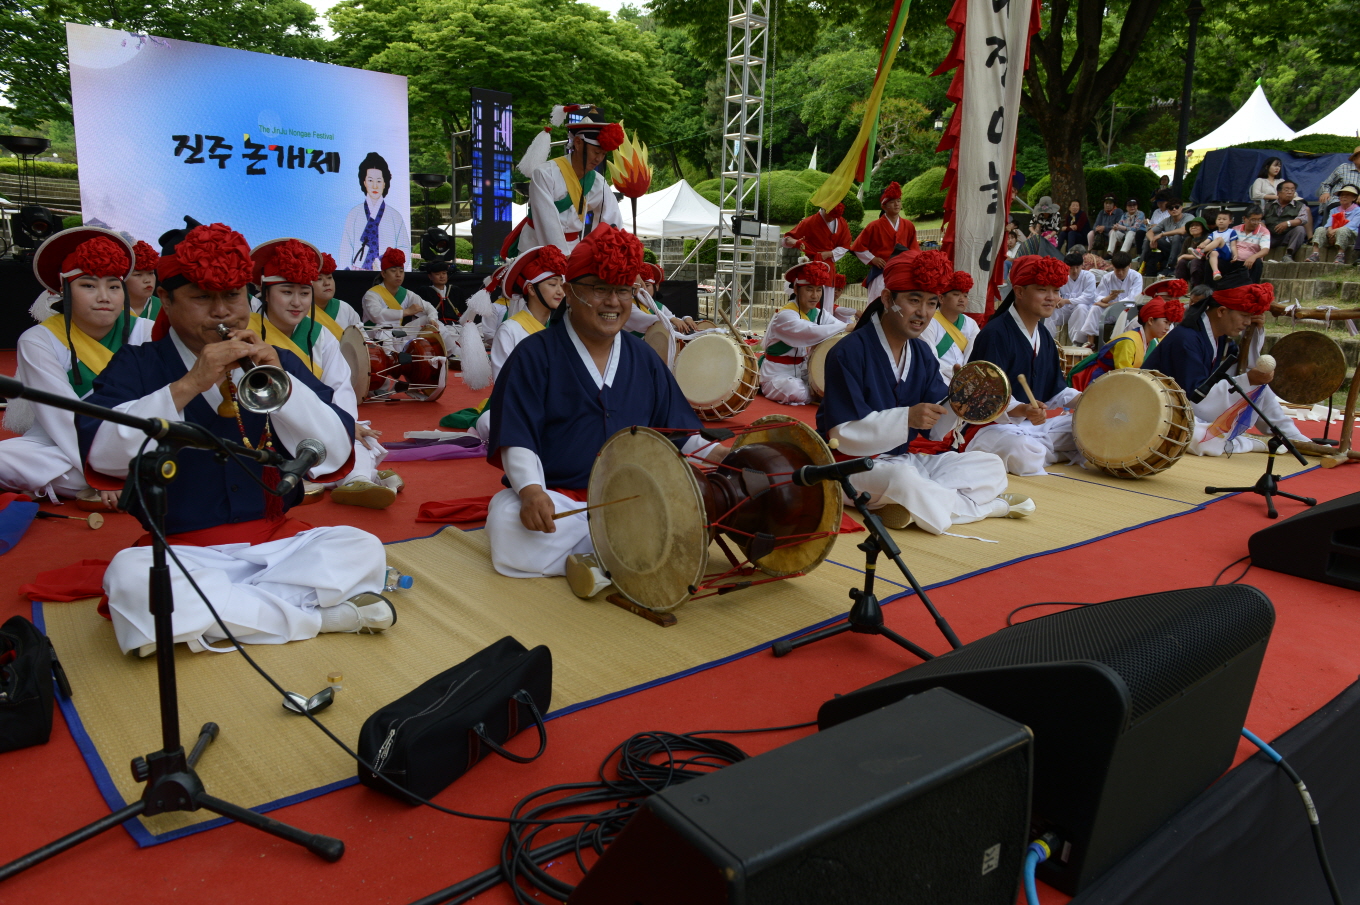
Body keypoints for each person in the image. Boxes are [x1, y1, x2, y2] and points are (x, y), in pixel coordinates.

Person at [79, 220, 394, 656]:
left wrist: (284, 384)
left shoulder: (276, 359)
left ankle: (218, 621)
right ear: (166, 300)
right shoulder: (137, 364)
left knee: (362, 548)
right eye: (201, 298)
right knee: (131, 579)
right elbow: (102, 457)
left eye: (232, 296)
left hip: (277, 547)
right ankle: (318, 617)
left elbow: (335, 453)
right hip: (182, 554)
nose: (222, 313)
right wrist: (189, 384)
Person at [484, 223, 724, 597]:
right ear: (570, 290)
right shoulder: (533, 355)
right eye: (599, 288)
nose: (613, 301)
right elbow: (518, 436)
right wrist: (531, 492)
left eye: (623, 289)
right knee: (505, 521)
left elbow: (678, 434)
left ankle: (601, 559)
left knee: (683, 503)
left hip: (633, 497)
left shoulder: (643, 357)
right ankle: (626, 554)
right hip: (560, 498)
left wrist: (721, 454)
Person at [816, 249, 1028, 533]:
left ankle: (912, 504)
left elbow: (935, 427)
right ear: (889, 298)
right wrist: (907, 418)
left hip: (903, 459)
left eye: (931, 303)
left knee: (989, 465)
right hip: (850, 466)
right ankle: (991, 508)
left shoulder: (921, 352)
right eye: (914, 300)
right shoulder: (849, 351)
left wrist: (961, 400)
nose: (923, 313)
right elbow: (841, 436)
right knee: (904, 479)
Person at [0, 228, 153, 504]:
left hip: (135, 438)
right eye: (88, 285)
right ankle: (135, 480)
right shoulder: (39, 340)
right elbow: (61, 417)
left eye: (114, 286)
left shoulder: (148, 331)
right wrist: (101, 474)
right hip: (60, 442)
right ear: (64, 290)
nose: (104, 296)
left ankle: (99, 481)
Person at [249, 238, 401, 510]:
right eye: (286, 292)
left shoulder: (320, 335)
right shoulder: (249, 333)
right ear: (265, 292)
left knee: (356, 431)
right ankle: (359, 476)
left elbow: (340, 388)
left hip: (319, 420)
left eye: (304, 293)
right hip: (271, 426)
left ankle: (356, 478)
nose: (297, 302)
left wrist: (344, 423)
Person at [946, 255, 1082, 476]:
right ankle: (1043, 454)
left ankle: (1041, 453)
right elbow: (982, 397)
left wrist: (1087, 399)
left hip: (1031, 427)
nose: (1051, 298)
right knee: (1021, 450)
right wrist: (1022, 410)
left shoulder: (1044, 336)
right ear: (1019, 292)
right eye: (1042, 290)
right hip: (990, 428)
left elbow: (1055, 389)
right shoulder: (995, 333)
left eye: (1055, 291)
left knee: (1085, 430)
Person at [1143, 275, 1308, 456]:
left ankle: (1294, 438)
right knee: (1203, 439)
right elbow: (1196, 399)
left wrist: (1254, 338)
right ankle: (1253, 443)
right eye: (1244, 315)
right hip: (1155, 407)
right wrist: (1248, 380)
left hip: (1184, 406)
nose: (1247, 322)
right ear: (1221, 311)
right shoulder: (1186, 340)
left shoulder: (1219, 337)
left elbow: (1242, 374)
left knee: (1259, 387)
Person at [466, 245, 571, 442]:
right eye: (552, 284)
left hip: (558, 404)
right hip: (520, 406)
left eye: (561, 284)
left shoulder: (563, 327)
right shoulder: (510, 330)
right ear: (531, 289)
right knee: (491, 422)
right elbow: (505, 384)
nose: (560, 291)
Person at [509, 109, 625, 257]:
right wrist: (563, 257)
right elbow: (547, 221)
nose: (599, 159)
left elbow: (612, 221)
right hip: (535, 248)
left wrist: (617, 256)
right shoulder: (545, 174)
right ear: (578, 143)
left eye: (603, 154)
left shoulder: (598, 182)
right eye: (596, 152)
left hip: (574, 250)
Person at [759, 260, 855, 405]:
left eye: (818, 290)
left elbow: (838, 328)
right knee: (796, 390)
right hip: (777, 374)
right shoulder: (785, 316)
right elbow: (810, 331)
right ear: (797, 290)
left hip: (804, 372)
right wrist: (847, 327)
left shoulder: (818, 313)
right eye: (809, 289)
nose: (815, 296)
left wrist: (851, 328)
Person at [1068, 283, 1185, 391]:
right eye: (1165, 322)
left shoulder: (1154, 340)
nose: (1167, 328)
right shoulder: (1128, 342)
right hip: (1099, 381)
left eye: (1169, 324)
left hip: (1121, 380)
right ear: (1150, 320)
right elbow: (1123, 375)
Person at [340, 151, 410, 270]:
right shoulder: (354, 214)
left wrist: (384, 262)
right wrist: (349, 272)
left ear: (384, 183)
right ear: (364, 182)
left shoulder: (395, 216)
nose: (375, 186)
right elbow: (346, 248)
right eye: (370, 180)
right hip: (357, 276)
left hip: (387, 274)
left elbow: (404, 248)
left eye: (379, 181)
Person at [852, 181, 919, 300]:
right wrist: (873, 259)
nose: (896, 204)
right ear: (884, 206)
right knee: (877, 304)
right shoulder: (874, 226)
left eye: (898, 201)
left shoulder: (908, 225)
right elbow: (857, 246)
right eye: (892, 202)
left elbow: (914, 249)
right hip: (881, 273)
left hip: (901, 271)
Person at [920, 270, 979, 384]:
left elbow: (974, 354)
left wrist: (965, 374)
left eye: (965, 296)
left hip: (966, 379)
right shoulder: (929, 322)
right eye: (956, 295)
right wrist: (953, 372)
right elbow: (929, 357)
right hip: (937, 378)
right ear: (941, 298)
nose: (962, 299)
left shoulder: (971, 324)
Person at [361, 247, 439, 331]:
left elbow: (428, 307)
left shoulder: (406, 294)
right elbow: (376, 315)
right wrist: (406, 312)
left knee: (432, 323)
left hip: (398, 336)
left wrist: (432, 319)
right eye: (393, 271)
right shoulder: (372, 294)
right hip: (375, 337)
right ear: (383, 274)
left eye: (401, 271)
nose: (398, 275)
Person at [1079, 251, 1143, 344]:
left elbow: (1133, 298)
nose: (1120, 273)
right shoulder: (1107, 277)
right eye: (1117, 270)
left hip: (1128, 310)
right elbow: (1098, 296)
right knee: (1095, 308)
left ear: (1129, 266)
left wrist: (1109, 304)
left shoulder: (1136, 277)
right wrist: (1107, 298)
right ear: (1113, 266)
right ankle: (1090, 342)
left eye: (1123, 270)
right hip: (1109, 310)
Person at [624, 262, 698, 337]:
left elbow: (675, 321)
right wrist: (671, 319)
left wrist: (686, 319)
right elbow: (645, 319)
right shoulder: (627, 305)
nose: (643, 289)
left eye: (647, 285)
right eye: (640, 286)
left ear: (656, 287)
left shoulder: (659, 306)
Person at [309, 252, 364, 340]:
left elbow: (362, 339)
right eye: (319, 279)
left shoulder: (344, 308)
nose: (327, 283)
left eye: (329, 277)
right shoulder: (300, 311)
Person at [1306, 184, 1360, 264]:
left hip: (1350, 236)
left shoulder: (1358, 210)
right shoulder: (1334, 210)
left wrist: (1335, 231)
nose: (1344, 197)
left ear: (1354, 198)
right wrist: (1330, 230)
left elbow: (1353, 224)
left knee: (1343, 230)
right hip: (1332, 235)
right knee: (1320, 229)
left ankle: (1340, 255)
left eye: (1347, 195)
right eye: (1342, 195)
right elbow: (1329, 223)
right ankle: (1315, 254)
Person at [1053, 251, 1099, 343]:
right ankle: (1047, 340)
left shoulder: (1089, 276)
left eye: (1077, 267)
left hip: (1083, 310)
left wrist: (1067, 301)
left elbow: (1088, 297)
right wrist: (1057, 300)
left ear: (1082, 266)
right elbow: (1056, 292)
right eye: (1071, 268)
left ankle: (1078, 342)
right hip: (1065, 309)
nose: (1075, 271)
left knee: (1081, 307)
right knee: (1049, 311)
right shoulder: (1061, 276)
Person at [783, 202, 854, 262]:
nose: (832, 219)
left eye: (834, 217)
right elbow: (787, 239)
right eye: (829, 216)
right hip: (811, 262)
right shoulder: (809, 222)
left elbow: (845, 245)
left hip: (830, 265)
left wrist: (830, 254)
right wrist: (796, 242)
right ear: (823, 208)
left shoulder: (842, 222)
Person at [1263, 180, 1311, 260]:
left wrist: (1287, 223)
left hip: (1287, 236)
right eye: (1287, 190)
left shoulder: (1300, 206)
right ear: (1278, 193)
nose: (1290, 192)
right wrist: (1263, 227)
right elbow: (1259, 218)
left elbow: (1303, 219)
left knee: (1300, 229)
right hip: (1269, 236)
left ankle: (1288, 255)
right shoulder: (1268, 206)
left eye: (1292, 190)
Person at [1145, 198, 1190, 275]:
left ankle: (1170, 266)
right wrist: (1153, 240)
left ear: (1181, 207)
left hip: (1185, 247)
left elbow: (1183, 230)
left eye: (1177, 207)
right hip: (1171, 247)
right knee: (1152, 240)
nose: (1174, 209)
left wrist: (1162, 234)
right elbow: (1150, 232)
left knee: (1177, 236)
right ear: (1168, 211)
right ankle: (1147, 267)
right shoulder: (1166, 220)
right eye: (1171, 208)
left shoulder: (1189, 217)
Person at [1233, 206, 1272, 283]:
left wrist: (1253, 257)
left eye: (1259, 220)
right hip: (1234, 261)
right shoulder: (1235, 229)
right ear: (1244, 219)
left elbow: (1265, 250)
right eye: (1253, 220)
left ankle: (1252, 288)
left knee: (1257, 262)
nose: (1256, 223)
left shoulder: (1264, 231)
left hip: (1250, 264)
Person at [1172, 217, 1213, 284]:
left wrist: (1184, 256)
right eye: (1191, 226)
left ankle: (1196, 287)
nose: (1193, 227)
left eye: (1197, 225)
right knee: (1181, 262)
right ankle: (1181, 286)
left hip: (1204, 264)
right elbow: (1181, 254)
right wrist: (1182, 257)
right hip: (1189, 264)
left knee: (1195, 261)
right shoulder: (1188, 240)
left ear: (1203, 227)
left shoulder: (1208, 238)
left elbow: (1203, 256)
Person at [127, 240, 160, 320]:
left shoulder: (164, 307)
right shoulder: (112, 306)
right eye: (138, 274)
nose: (147, 280)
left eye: (151, 273)